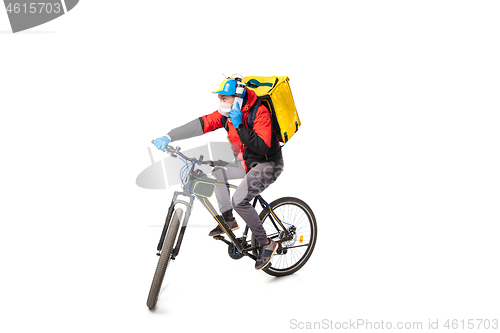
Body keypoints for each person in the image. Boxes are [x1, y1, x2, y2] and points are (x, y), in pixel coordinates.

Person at [153, 74, 284, 270]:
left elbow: (263, 147)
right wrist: (170, 136)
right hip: (246, 162)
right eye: (219, 98)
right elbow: (202, 124)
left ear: (238, 99)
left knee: (239, 200)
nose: (220, 102)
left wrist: (240, 125)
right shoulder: (227, 115)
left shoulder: (260, 113)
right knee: (218, 173)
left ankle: (266, 243)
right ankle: (229, 220)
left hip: (267, 164)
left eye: (224, 98)